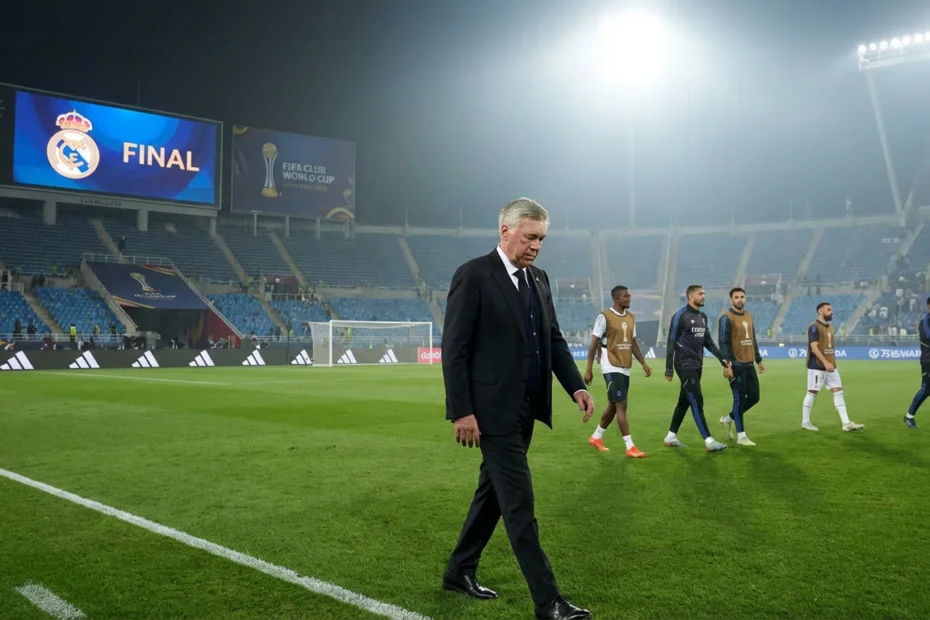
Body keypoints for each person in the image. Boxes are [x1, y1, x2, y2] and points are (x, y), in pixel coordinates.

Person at [441, 198, 594, 620]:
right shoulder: (474, 274)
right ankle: (548, 601)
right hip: (492, 412)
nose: (536, 246)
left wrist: (576, 387)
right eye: (530, 237)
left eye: (541, 239)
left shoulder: (539, 279)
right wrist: (462, 411)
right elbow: (454, 348)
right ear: (505, 231)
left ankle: (459, 570)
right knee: (519, 504)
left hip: (527, 409)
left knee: (492, 495)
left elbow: (553, 339)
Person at [583, 285, 651, 456]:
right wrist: (589, 369)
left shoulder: (631, 317)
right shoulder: (604, 317)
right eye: (625, 296)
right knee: (621, 403)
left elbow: (633, 343)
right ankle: (630, 447)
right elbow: (594, 343)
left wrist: (643, 363)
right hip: (610, 365)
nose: (629, 298)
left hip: (625, 365)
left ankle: (596, 437)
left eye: (629, 296)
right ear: (616, 299)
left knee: (614, 404)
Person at [663, 285, 732, 452]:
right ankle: (709, 440)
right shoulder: (680, 316)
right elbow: (671, 342)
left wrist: (722, 359)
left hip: (697, 364)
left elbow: (708, 341)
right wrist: (669, 368)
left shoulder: (703, 317)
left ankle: (671, 436)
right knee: (696, 399)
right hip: (684, 364)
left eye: (704, 293)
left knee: (684, 401)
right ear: (690, 296)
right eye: (700, 293)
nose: (704, 296)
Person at [801, 302, 864, 432]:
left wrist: (830, 363)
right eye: (828, 310)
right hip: (817, 366)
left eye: (831, 310)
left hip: (831, 366)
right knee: (812, 392)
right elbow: (814, 347)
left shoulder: (830, 327)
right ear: (820, 311)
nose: (832, 312)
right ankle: (805, 422)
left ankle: (846, 423)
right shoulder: (814, 327)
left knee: (838, 391)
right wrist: (825, 362)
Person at [717, 287, 765, 446]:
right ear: (731, 300)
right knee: (738, 398)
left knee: (754, 397)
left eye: (742, 297)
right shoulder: (726, 318)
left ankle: (728, 418)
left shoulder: (748, 315)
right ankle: (741, 436)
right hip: (735, 364)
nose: (740, 299)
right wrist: (726, 364)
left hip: (749, 363)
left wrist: (758, 360)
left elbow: (753, 339)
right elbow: (723, 343)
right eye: (736, 297)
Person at [903, 296, 930, 428]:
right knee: (926, 389)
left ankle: (909, 417)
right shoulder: (925, 321)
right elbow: (928, 337)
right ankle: (909, 416)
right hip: (928, 360)